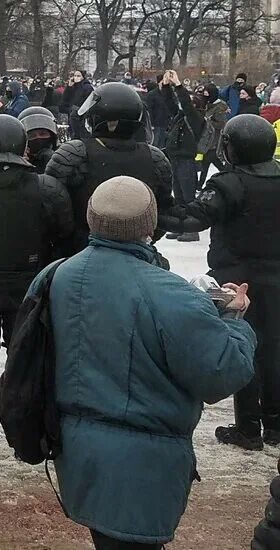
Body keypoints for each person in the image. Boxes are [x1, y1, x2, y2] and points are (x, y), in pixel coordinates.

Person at [36, 176, 255, 549]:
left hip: (77, 451)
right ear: (150, 224)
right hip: (144, 465)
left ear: (91, 218)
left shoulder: (56, 276)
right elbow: (223, 373)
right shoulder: (169, 293)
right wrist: (234, 321)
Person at [158, 113, 280, 452]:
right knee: (274, 349)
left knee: (245, 347)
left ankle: (248, 427)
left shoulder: (230, 184)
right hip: (276, 276)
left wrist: (150, 211)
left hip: (238, 280)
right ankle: (274, 423)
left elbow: (192, 218)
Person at [0, 114, 73, 459]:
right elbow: (64, 233)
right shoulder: (45, 187)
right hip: (27, 280)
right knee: (23, 358)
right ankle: (24, 434)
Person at [46, 82, 175, 256]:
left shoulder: (75, 153)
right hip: (136, 253)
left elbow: (51, 206)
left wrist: (73, 240)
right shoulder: (154, 157)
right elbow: (162, 214)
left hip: (79, 253)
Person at [158, 71, 204, 240]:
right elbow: (170, 103)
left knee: (188, 196)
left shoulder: (196, 118)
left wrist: (178, 85)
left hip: (186, 160)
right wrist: (165, 85)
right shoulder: (180, 117)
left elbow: (185, 103)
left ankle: (192, 229)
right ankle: (179, 226)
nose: (184, 105)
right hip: (175, 159)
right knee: (177, 195)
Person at [18, 106, 59, 174]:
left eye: (43, 134)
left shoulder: (63, 159)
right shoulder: (19, 165)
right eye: (31, 136)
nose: (38, 138)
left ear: (52, 136)